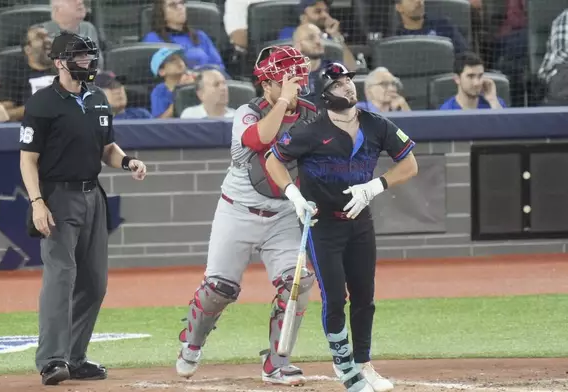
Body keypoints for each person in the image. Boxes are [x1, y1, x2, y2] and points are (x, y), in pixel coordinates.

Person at [265, 62, 419, 392]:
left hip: (359, 223)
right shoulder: (310, 131)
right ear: (325, 94)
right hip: (321, 225)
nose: (347, 86)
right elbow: (273, 160)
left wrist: (375, 187)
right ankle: (345, 368)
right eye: (337, 83)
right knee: (335, 298)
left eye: (349, 80)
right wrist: (293, 194)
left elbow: (409, 164)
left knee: (365, 297)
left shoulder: (376, 125)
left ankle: (363, 364)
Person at [175, 45, 319, 386]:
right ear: (267, 84)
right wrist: (283, 101)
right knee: (219, 289)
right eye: (285, 80)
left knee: (297, 283)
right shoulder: (248, 112)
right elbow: (262, 138)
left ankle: (277, 361)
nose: (294, 85)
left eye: (296, 79)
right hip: (237, 211)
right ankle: (192, 341)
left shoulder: (314, 114)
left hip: (284, 213)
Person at [19, 31, 148, 386]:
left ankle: (75, 357)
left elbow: (107, 147)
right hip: (58, 197)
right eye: (80, 57)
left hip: (94, 196)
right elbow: (28, 160)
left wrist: (127, 162)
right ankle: (51, 360)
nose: (88, 63)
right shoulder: (42, 103)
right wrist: (37, 202)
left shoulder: (98, 99)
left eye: (90, 57)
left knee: (94, 284)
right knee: (61, 278)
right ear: (60, 63)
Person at [142, 0, 225, 70]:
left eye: (182, 3)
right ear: (162, 13)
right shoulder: (153, 39)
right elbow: (156, 71)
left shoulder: (200, 36)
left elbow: (219, 67)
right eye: (173, 5)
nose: (180, 7)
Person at [439, 52, 507, 110]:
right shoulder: (447, 110)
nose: (476, 83)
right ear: (457, 79)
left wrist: (493, 100)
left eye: (480, 76)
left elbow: (506, 125)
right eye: (470, 76)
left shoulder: (496, 103)